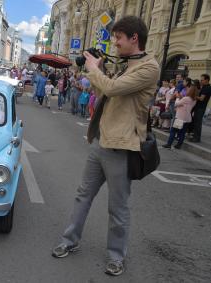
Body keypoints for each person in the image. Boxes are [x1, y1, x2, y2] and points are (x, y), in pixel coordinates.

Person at [51, 16, 160, 276]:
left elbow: (112, 89)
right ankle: (69, 240)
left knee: (118, 207)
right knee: (83, 195)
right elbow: (105, 96)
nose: (115, 43)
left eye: (118, 38)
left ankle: (116, 256)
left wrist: (94, 69)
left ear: (134, 38)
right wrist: (97, 71)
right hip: (102, 141)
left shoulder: (149, 67)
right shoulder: (127, 64)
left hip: (122, 147)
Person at [163, 80, 199, 149]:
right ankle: (178, 145)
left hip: (180, 118)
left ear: (190, 91)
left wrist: (178, 97)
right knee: (182, 133)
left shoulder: (186, 98)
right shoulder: (194, 100)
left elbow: (176, 104)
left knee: (173, 131)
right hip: (187, 118)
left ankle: (169, 144)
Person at [190, 74, 211, 142]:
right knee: (196, 122)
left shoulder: (207, 88)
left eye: (202, 80)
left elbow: (202, 98)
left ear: (207, 80)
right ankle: (195, 136)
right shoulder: (204, 87)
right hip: (198, 107)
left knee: (197, 123)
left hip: (200, 108)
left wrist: (194, 96)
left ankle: (196, 138)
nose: (200, 81)